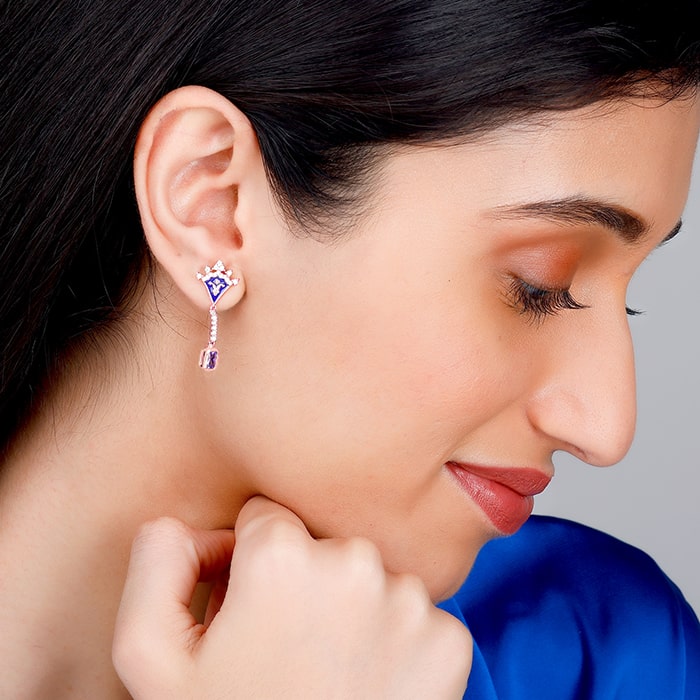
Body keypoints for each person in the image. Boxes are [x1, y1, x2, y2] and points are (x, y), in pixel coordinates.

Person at [1, 1, 699, 697]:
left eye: (628, 300)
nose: (609, 428)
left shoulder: (602, 656)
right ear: (213, 207)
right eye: (539, 286)